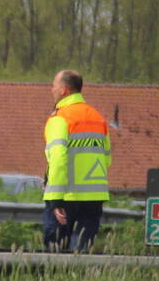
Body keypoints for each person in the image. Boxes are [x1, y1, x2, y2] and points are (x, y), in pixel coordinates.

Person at [42, 70, 111, 252]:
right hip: (94, 197)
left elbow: (58, 159)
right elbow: (107, 159)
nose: (52, 90)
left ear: (64, 90)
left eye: (54, 85)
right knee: (82, 254)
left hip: (66, 195)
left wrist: (56, 200)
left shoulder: (60, 118)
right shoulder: (98, 118)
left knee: (54, 254)